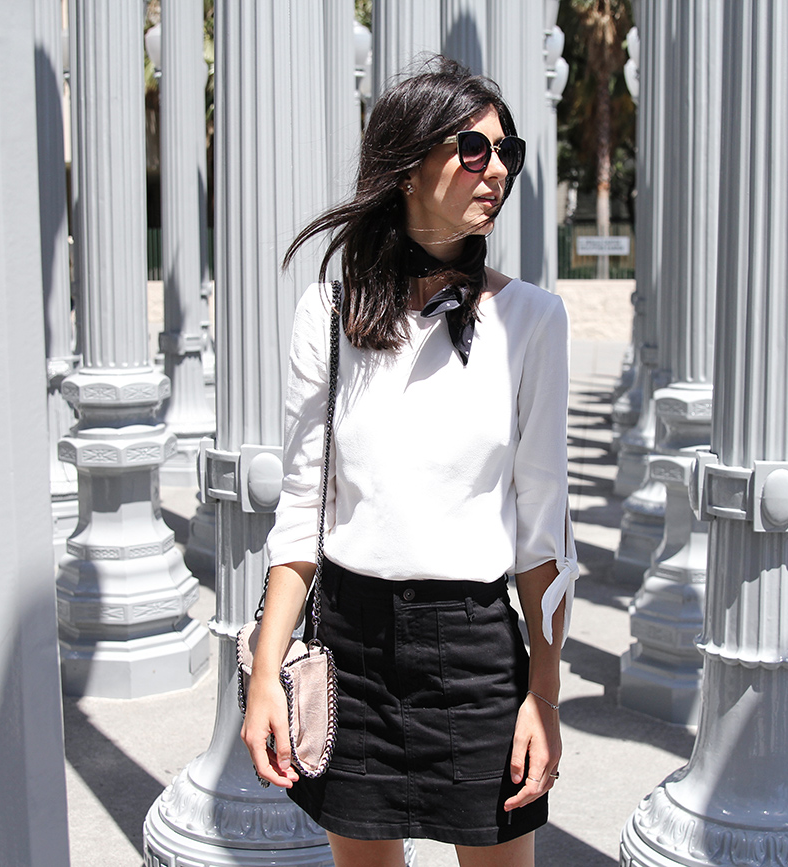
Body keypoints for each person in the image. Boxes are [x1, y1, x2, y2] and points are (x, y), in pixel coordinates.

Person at [241, 57, 578, 867]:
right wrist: (262, 673)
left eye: (507, 153)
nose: (496, 169)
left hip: (474, 654)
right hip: (350, 646)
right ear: (406, 166)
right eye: (472, 147)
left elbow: (542, 534)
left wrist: (544, 690)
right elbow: (300, 511)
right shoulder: (325, 316)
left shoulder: (533, 319)